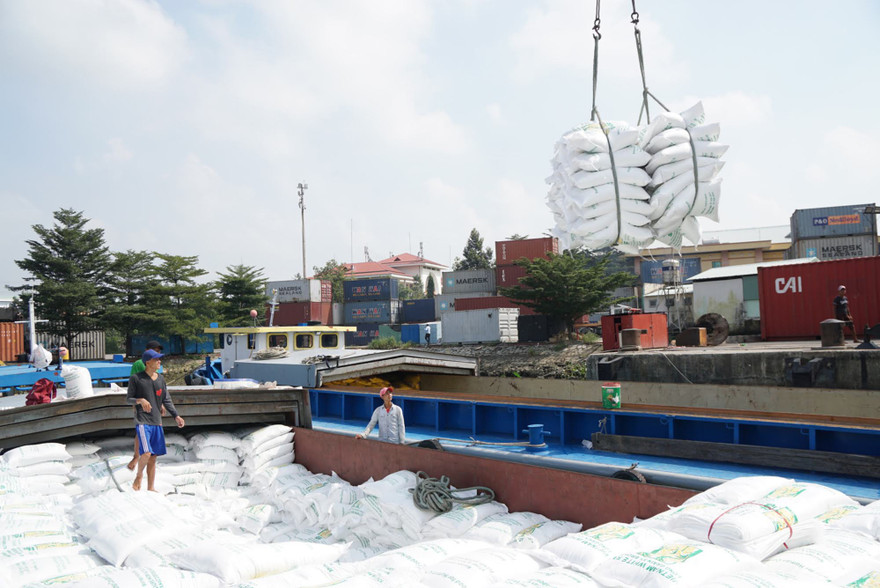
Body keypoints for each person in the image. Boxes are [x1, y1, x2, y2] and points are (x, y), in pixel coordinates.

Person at [126, 349, 185, 491]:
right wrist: (140, 400)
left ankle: (150, 487)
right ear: (148, 362)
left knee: (153, 457)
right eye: (156, 359)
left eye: (160, 359)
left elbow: (166, 399)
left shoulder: (160, 379)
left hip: (157, 421)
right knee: (146, 453)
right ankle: (139, 476)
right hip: (143, 421)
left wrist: (176, 415)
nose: (159, 362)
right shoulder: (136, 378)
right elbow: (128, 399)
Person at [127, 341, 163, 470]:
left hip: (154, 403)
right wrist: (136, 402)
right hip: (141, 404)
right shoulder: (138, 364)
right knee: (140, 429)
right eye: (154, 350)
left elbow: (159, 386)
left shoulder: (158, 364)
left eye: (158, 351)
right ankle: (137, 455)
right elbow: (133, 385)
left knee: (151, 430)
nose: (157, 353)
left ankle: (147, 456)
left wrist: (161, 403)